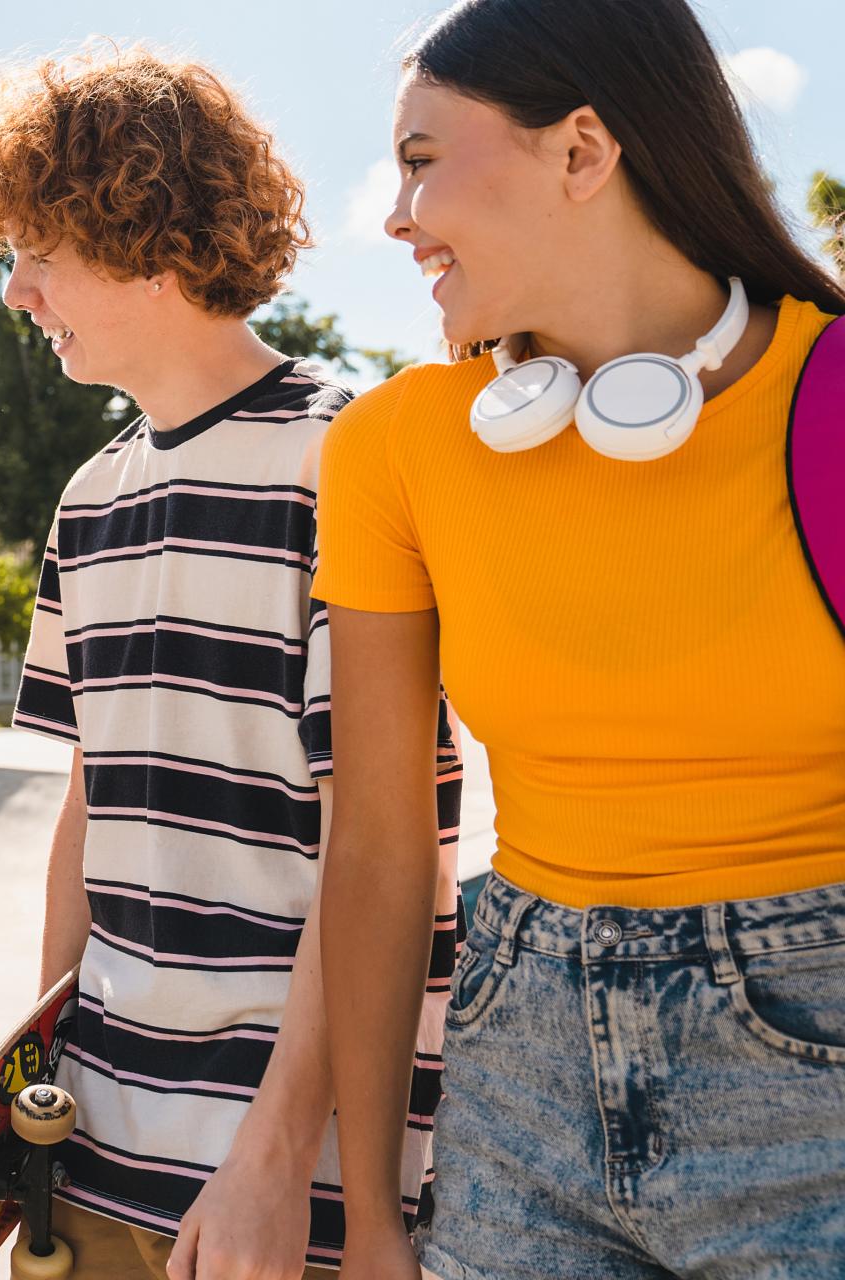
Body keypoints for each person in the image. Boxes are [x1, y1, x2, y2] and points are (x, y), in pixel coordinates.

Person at [315, 3, 845, 1277]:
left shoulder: (830, 397)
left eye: (425, 158)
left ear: (583, 149)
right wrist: (377, 1216)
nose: (394, 215)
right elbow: (385, 841)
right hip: (519, 1078)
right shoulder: (394, 448)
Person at [0, 46, 462, 1279]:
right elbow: (89, 805)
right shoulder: (88, 496)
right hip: (94, 1150)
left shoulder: (348, 463)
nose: (17, 292)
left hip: (287, 1179)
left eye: (38, 254)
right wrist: (33, 1089)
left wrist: (281, 1158)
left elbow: (388, 843)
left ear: (143, 244)